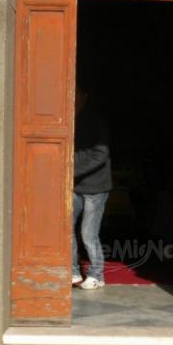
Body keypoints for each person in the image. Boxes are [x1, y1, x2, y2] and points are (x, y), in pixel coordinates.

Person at [72, 84, 112, 289]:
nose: (73, 98)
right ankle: (73, 272)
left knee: (88, 233)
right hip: (74, 186)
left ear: (84, 96)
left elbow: (100, 154)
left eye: (76, 93)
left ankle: (97, 275)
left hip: (95, 187)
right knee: (66, 228)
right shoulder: (67, 117)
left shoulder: (95, 120)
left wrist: (73, 170)